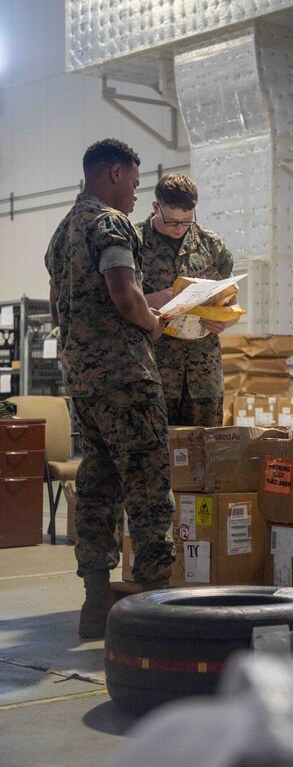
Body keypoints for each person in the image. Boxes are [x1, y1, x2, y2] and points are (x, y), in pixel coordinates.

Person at [45, 139, 175, 638]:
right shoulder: (110, 223)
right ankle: (152, 610)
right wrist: (152, 323)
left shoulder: (62, 233)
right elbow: (125, 293)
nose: (138, 196)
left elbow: (59, 305)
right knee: (148, 487)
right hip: (126, 376)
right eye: (137, 184)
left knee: (98, 487)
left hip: (83, 381)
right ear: (115, 173)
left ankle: (95, 603)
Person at [135, 173, 236, 427]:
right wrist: (161, 298)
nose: (180, 228)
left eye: (186, 222)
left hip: (202, 374)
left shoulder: (211, 245)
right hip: (154, 370)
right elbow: (119, 300)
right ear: (156, 207)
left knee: (206, 451)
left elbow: (231, 300)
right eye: (172, 222)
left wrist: (224, 320)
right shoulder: (133, 242)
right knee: (156, 453)